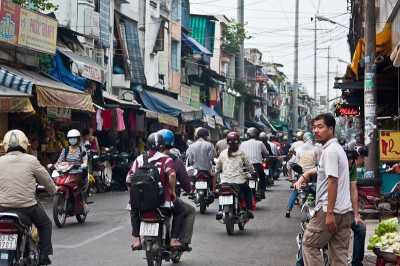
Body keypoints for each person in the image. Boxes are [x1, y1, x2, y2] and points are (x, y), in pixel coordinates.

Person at [294, 113, 353, 266]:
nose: (316, 131)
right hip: (345, 211)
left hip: (329, 209)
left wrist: (329, 213)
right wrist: (307, 173)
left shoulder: (330, 151)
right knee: (339, 254)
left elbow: (332, 181)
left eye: (320, 127)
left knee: (309, 244)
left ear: (331, 128)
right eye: (314, 127)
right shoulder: (337, 149)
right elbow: (323, 171)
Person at [0, 130, 58, 265]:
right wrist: (53, 190)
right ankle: (43, 256)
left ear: (5, 145)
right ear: (25, 144)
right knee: (45, 224)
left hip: (2, 207)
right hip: (27, 208)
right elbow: (47, 180)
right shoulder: (31, 160)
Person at [127, 133, 182, 250]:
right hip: (162, 200)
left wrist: (133, 195)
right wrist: (172, 191)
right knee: (180, 211)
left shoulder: (139, 159)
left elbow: (129, 179)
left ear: (147, 145)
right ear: (163, 146)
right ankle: (173, 240)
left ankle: (137, 240)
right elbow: (172, 174)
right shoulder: (166, 159)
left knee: (134, 212)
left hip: (141, 201)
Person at [158, 129, 196, 252]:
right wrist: (188, 189)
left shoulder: (147, 157)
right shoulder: (175, 160)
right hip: (166, 198)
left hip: (147, 198)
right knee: (190, 211)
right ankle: (182, 241)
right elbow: (186, 185)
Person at [216, 132, 255, 219]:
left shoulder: (223, 153)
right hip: (239, 181)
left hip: (225, 181)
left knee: (221, 193)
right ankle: (249, 210)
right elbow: (249, 164)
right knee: (248, 191)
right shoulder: (241, 153)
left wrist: (215, 171)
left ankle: (220, 210)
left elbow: (217, 167)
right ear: (238, 142)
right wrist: (252, 171)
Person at [285, 132, 319, 218]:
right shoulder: (316, 149)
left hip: (301, 174)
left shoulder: (299, 150)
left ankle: (288, 210)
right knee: (317, 192)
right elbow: (319, 164)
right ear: (312, 139)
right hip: (313, 175)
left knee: (296, 191)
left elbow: (296, 163)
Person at [56, 129, 90, 213]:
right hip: (67, 172)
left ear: (78, 139)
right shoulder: (65, 150)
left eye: (74, 138)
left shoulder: (82, 149)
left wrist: (84, 165)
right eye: (70, 138)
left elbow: (85, 160)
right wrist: (56, 165)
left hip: (78, 172)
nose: (72, 140)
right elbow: (59, 161)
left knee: (77, 183)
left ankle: (83, 202)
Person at [346, 145, 368, 266]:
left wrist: (356, 215)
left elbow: (353, 189)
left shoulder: (353, 167)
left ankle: (356, 263)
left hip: (345, 209)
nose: (363, 161)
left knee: (360, 229)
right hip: (328, 208)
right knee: (310, 238)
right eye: (362, 157)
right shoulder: (340, 164)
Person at [240, 127, 269, 199]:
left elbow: (239, 154)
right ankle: (262, 190)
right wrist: (267, 159)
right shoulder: (260, 143)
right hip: (257, 166)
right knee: (262, 176)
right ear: (257, 135)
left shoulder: (243, 143)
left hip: (245, 166)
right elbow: (266, 153)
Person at [187, 127, 217, 192]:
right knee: (215, 174)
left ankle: (191, 190)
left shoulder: (192, 146)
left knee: (189, 175)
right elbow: (211, 158)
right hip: (207, 169)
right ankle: (214, 190)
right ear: (205, 136)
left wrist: (191, 164)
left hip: (196, 169)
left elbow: (190, 160)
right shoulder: (209, 145)